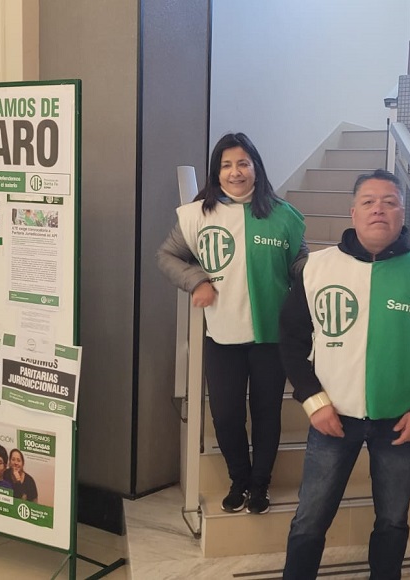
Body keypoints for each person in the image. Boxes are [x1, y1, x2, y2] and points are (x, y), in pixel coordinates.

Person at [279, 169, 410, 579]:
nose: (378, 209)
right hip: (332, 418)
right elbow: (290, 340)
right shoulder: (316, 268)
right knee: (310, 519)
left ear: (403, 213)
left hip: (401, 422)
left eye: (390, 202)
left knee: (392, 521)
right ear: (353, 212)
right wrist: (312, 400)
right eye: (368, 202)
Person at [157, 132, 307, 515]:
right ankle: (239, 479)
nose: (235, 172)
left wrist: (316, 274)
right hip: (221, 336)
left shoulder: (283, 215)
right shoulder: (197, 214)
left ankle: (260, 485)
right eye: (226, 165)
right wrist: (197, 280)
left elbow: (298, 262)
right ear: (216, 171)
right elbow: (168, 256)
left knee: (267, 414)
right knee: (225, 415)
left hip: (272, 337)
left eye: (242, 163)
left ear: (256, 167)